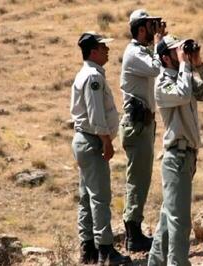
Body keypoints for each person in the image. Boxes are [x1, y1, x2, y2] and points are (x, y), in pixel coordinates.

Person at [148, 35, 203, 266]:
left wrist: (198, 64)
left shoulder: (185, 77)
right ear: (165, 57)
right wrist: (184, 65)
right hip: (176, 157)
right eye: (175, 50)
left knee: (168, 216)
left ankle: (156, 262)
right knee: (180, 221)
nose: (181, 52)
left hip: (187, 156)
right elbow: (181, 94)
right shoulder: (163, 83)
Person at [70, 31, 132, 265]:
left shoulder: (85, 74)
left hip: (83, 140)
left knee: (87, 197)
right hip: (92, 140)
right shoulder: (93, 77)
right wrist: (106, 141)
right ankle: (106, 250)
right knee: (100, 197)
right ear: (93, 51)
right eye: (103, 47)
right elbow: (96, 114)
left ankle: (88, 249)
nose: (107, 50)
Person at [119, 9, 166, 252]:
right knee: (137, 179)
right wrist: (159, 44)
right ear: (140, 29)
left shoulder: (142, 52)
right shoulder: (134, 54)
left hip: (142, 124)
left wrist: (160, 42)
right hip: (136, 126)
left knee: (142, 178)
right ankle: (133, 235)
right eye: (150, 26)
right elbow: (157, 69)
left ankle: (134, 231)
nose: (154, 29)